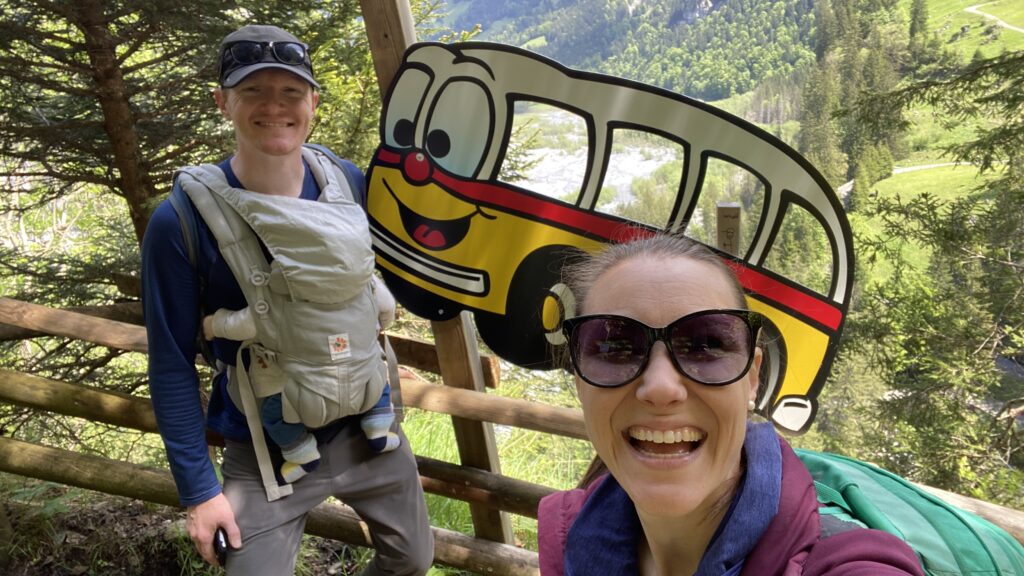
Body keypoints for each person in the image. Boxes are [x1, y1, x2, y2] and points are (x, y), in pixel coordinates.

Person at [141, 24, 433, 574]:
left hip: (367, 425)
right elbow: (171, 363)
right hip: (265, 446)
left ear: (314, 103)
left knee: (413, 560)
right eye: (253, 91)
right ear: (222, 102)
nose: (274, 106)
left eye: (291, 92)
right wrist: (199, 491)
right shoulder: (179, 222)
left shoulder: (345, 182)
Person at [538, 234, 924, 576]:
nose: (660, 387)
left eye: (706, 346)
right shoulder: (570, 534)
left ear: (752, 378)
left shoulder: (841, 564)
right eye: (614, 347)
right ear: (579, 381)